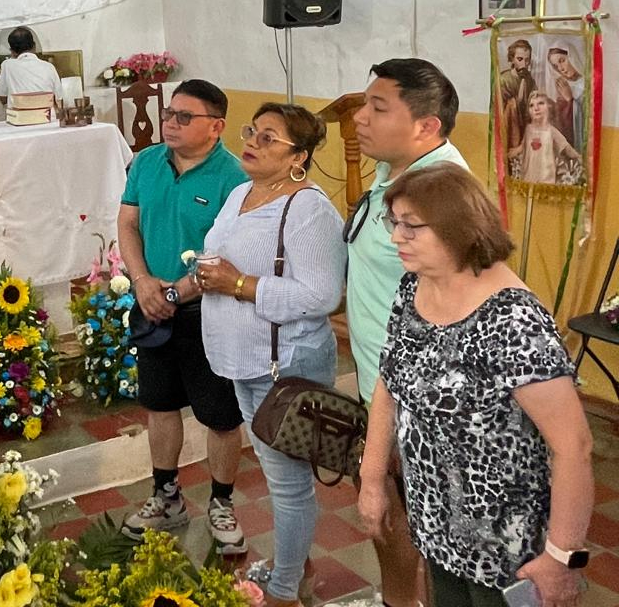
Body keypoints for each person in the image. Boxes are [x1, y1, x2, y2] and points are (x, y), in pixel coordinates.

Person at [359, 163, 593, 607]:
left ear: (457, 229)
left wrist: (560, 557)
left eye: (411, 227)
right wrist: (371, 479)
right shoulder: (414, 287)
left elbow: (574, 446)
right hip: (435, 521)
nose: (395, 238)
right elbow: (389, 384)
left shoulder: (512, 319)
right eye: (395, 223)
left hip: (508, 545)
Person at [197, 104, 345, 607]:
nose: (253, 141)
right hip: (241, 355)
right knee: (270, 465)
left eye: (268, 137)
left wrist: (238, 284)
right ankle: (293, 565)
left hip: (284, 362)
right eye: (252, 132)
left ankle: (284, 589)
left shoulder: (309, 209)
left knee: (287, 482)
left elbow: (322, 295)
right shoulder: (241, 192)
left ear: (298, 157)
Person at [346, 58, 467, 607]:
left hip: (416, 403)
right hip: (383, 385)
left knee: (410, 534)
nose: (359, 118)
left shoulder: (441, 196)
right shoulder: (394, 174)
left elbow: (454, 317)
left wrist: (399, 419)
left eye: (378, 107)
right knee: (392, 529)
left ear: (427, 126)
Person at [117, 79, 249, 552]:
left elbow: (229, 256)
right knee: (159, 404)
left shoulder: (234, 178)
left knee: (220, 415)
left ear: (216, 126)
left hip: (206, 311)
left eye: (183, 117)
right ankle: (166, 496)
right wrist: (142, 282)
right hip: (152, 301)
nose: (170, 123)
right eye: (169, 114)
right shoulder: (148, 161)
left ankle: (221, 501)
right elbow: (128, 223)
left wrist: (176, 292)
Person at [509, 90, 581, 184]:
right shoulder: (528, 130)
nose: (536, 108)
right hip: (528, 179)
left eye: (541, 103)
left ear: (549, 106)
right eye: (531, 105)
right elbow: (523, 147)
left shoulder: (551, 131)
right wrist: (512, 152)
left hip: (547, 181)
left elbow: (568, 149)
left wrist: (580, 158)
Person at [0, 26, 63, 102]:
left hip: (19, 113)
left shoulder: (7, 65)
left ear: (12, 51)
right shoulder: (49, 67)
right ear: (34, 46)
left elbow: (2, 96)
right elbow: (59, 97)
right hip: (45, 113)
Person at [499, 39, 536, 153]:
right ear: (512, 59)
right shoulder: (504, 79)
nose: (524, 64)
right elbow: (503, 108)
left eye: (527, 60)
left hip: (526, 124)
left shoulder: (529, 80)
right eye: (519, 59)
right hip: (510, 126)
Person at [549, 44, 585, 148]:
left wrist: (570, 99)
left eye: (562, 60)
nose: (560, 68)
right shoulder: (562, 86)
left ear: (572, 57)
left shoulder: (587, 83)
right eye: (555, 66)